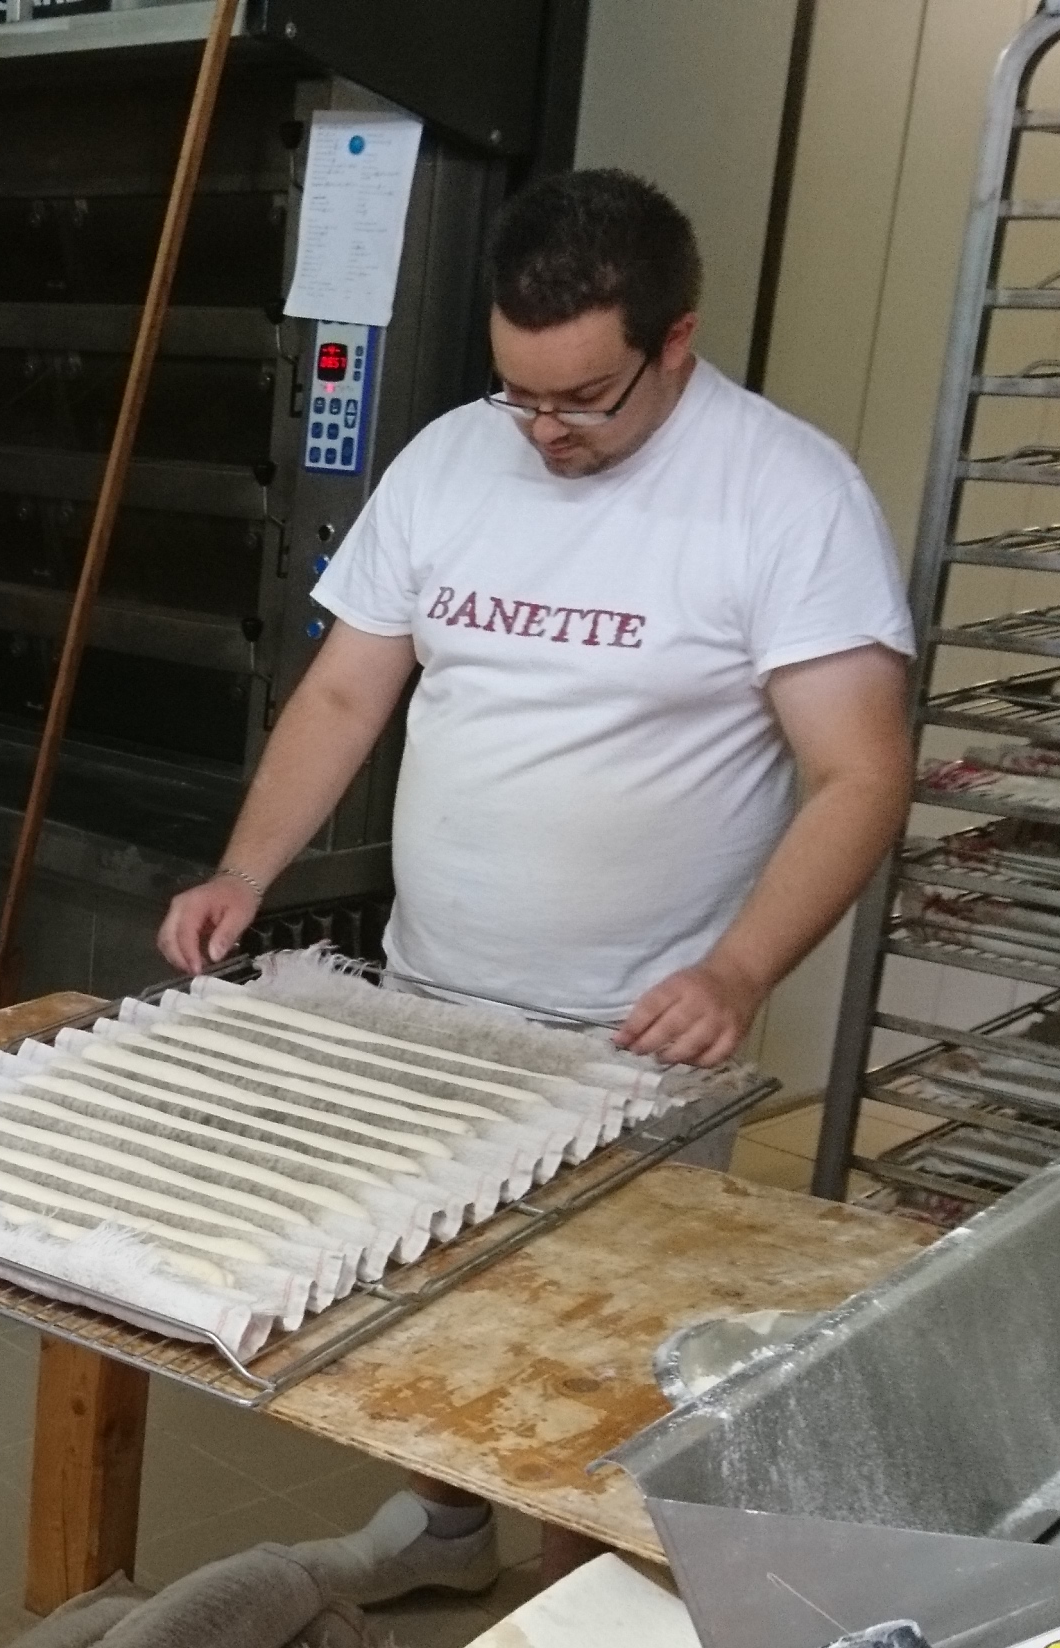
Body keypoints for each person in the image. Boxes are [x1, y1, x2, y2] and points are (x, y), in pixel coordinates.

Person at [159, 169, 913, 1070]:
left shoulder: (792, 495)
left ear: (675, 340)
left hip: (641, 1032)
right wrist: (244, 872)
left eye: (585, 397)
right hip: (421, 994)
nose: (545, 428)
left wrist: (739, 972)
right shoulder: (447, 459)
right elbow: (343, 697)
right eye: (517, 392)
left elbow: (859, 774)